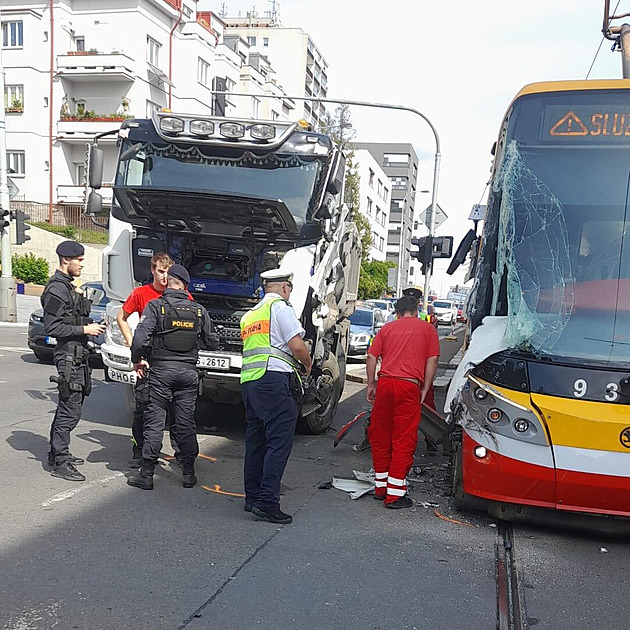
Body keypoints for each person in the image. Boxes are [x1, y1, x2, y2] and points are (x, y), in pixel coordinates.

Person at [127, 264, 218, 490]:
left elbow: (139, 339)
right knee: (185, 423)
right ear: (186, 286)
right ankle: (188, 473)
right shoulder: (198, 310)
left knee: (155, 422)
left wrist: (138, 359)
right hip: (188, 374)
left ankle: (146, 475)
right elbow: (212, 341)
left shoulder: (156, 306)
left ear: (168, 281)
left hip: (160, 373)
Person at [240, 269, 312, 525]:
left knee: (256, 441)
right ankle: (268, 502)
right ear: (284, 288)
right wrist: (307, 363)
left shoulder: (250, 315)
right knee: (278, 442)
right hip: (273, 382)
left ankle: (252, 497)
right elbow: (296, 346)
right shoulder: (280, 308)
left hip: (250, 382)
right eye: (290, 289)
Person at [366, 295, 439, 508]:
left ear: (397, 313)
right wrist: (425, 387)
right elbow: (432, 359)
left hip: (386, 384)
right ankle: (395, 494)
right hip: (408, 386)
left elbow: (371, 357)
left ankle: (381, 488)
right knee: (403, 438)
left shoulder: (387, 329)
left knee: (381, 436)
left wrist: (371, 384)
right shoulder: (428, 330)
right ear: (417, 311)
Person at [42, 241, 106, 481]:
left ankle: (55, 453)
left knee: (69, 405)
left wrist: (91, 327)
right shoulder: (56, 290)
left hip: (77, 353)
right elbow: (53, 327)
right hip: (68, 355)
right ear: (65, 260)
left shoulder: (68, 287)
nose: (82, 263)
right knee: (70, 409)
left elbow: (73, 317)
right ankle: (60, 460)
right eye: (79, 260)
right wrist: (85, 329)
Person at [116, 252, 180, 469]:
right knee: (143, 407)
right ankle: (139, 450)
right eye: (161, 272)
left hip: (172, 359)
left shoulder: (182, 295)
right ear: (153, 270)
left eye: (168, 273)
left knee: (175, 409)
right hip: (148, 359)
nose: (164, 277)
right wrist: (132, 341)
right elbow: (121, 317)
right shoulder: (142, 293)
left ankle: (179, 452)